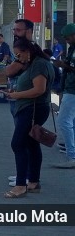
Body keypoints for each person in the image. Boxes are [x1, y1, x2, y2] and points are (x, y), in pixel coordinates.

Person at [3, 37, 54, 197]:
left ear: (28, 51)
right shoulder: (37, 63)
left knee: (18, 144)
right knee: (31, 144)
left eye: (19, 55)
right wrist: (16, 93)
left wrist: (17, 95)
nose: (19, 59)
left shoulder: (39, 64)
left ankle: (20, 185)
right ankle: (33, 181)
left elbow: (39, 89)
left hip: (32, 109)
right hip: (33, 107)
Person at [53, 23, 75, 168]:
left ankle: (71, 155)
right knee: (71, 121)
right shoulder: (72, 48)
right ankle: (71, 147)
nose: (66, 41)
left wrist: (63, 65)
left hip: (73, 90)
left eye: (68, 38)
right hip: (70, 88)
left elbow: (71, 67)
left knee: (63, 121)